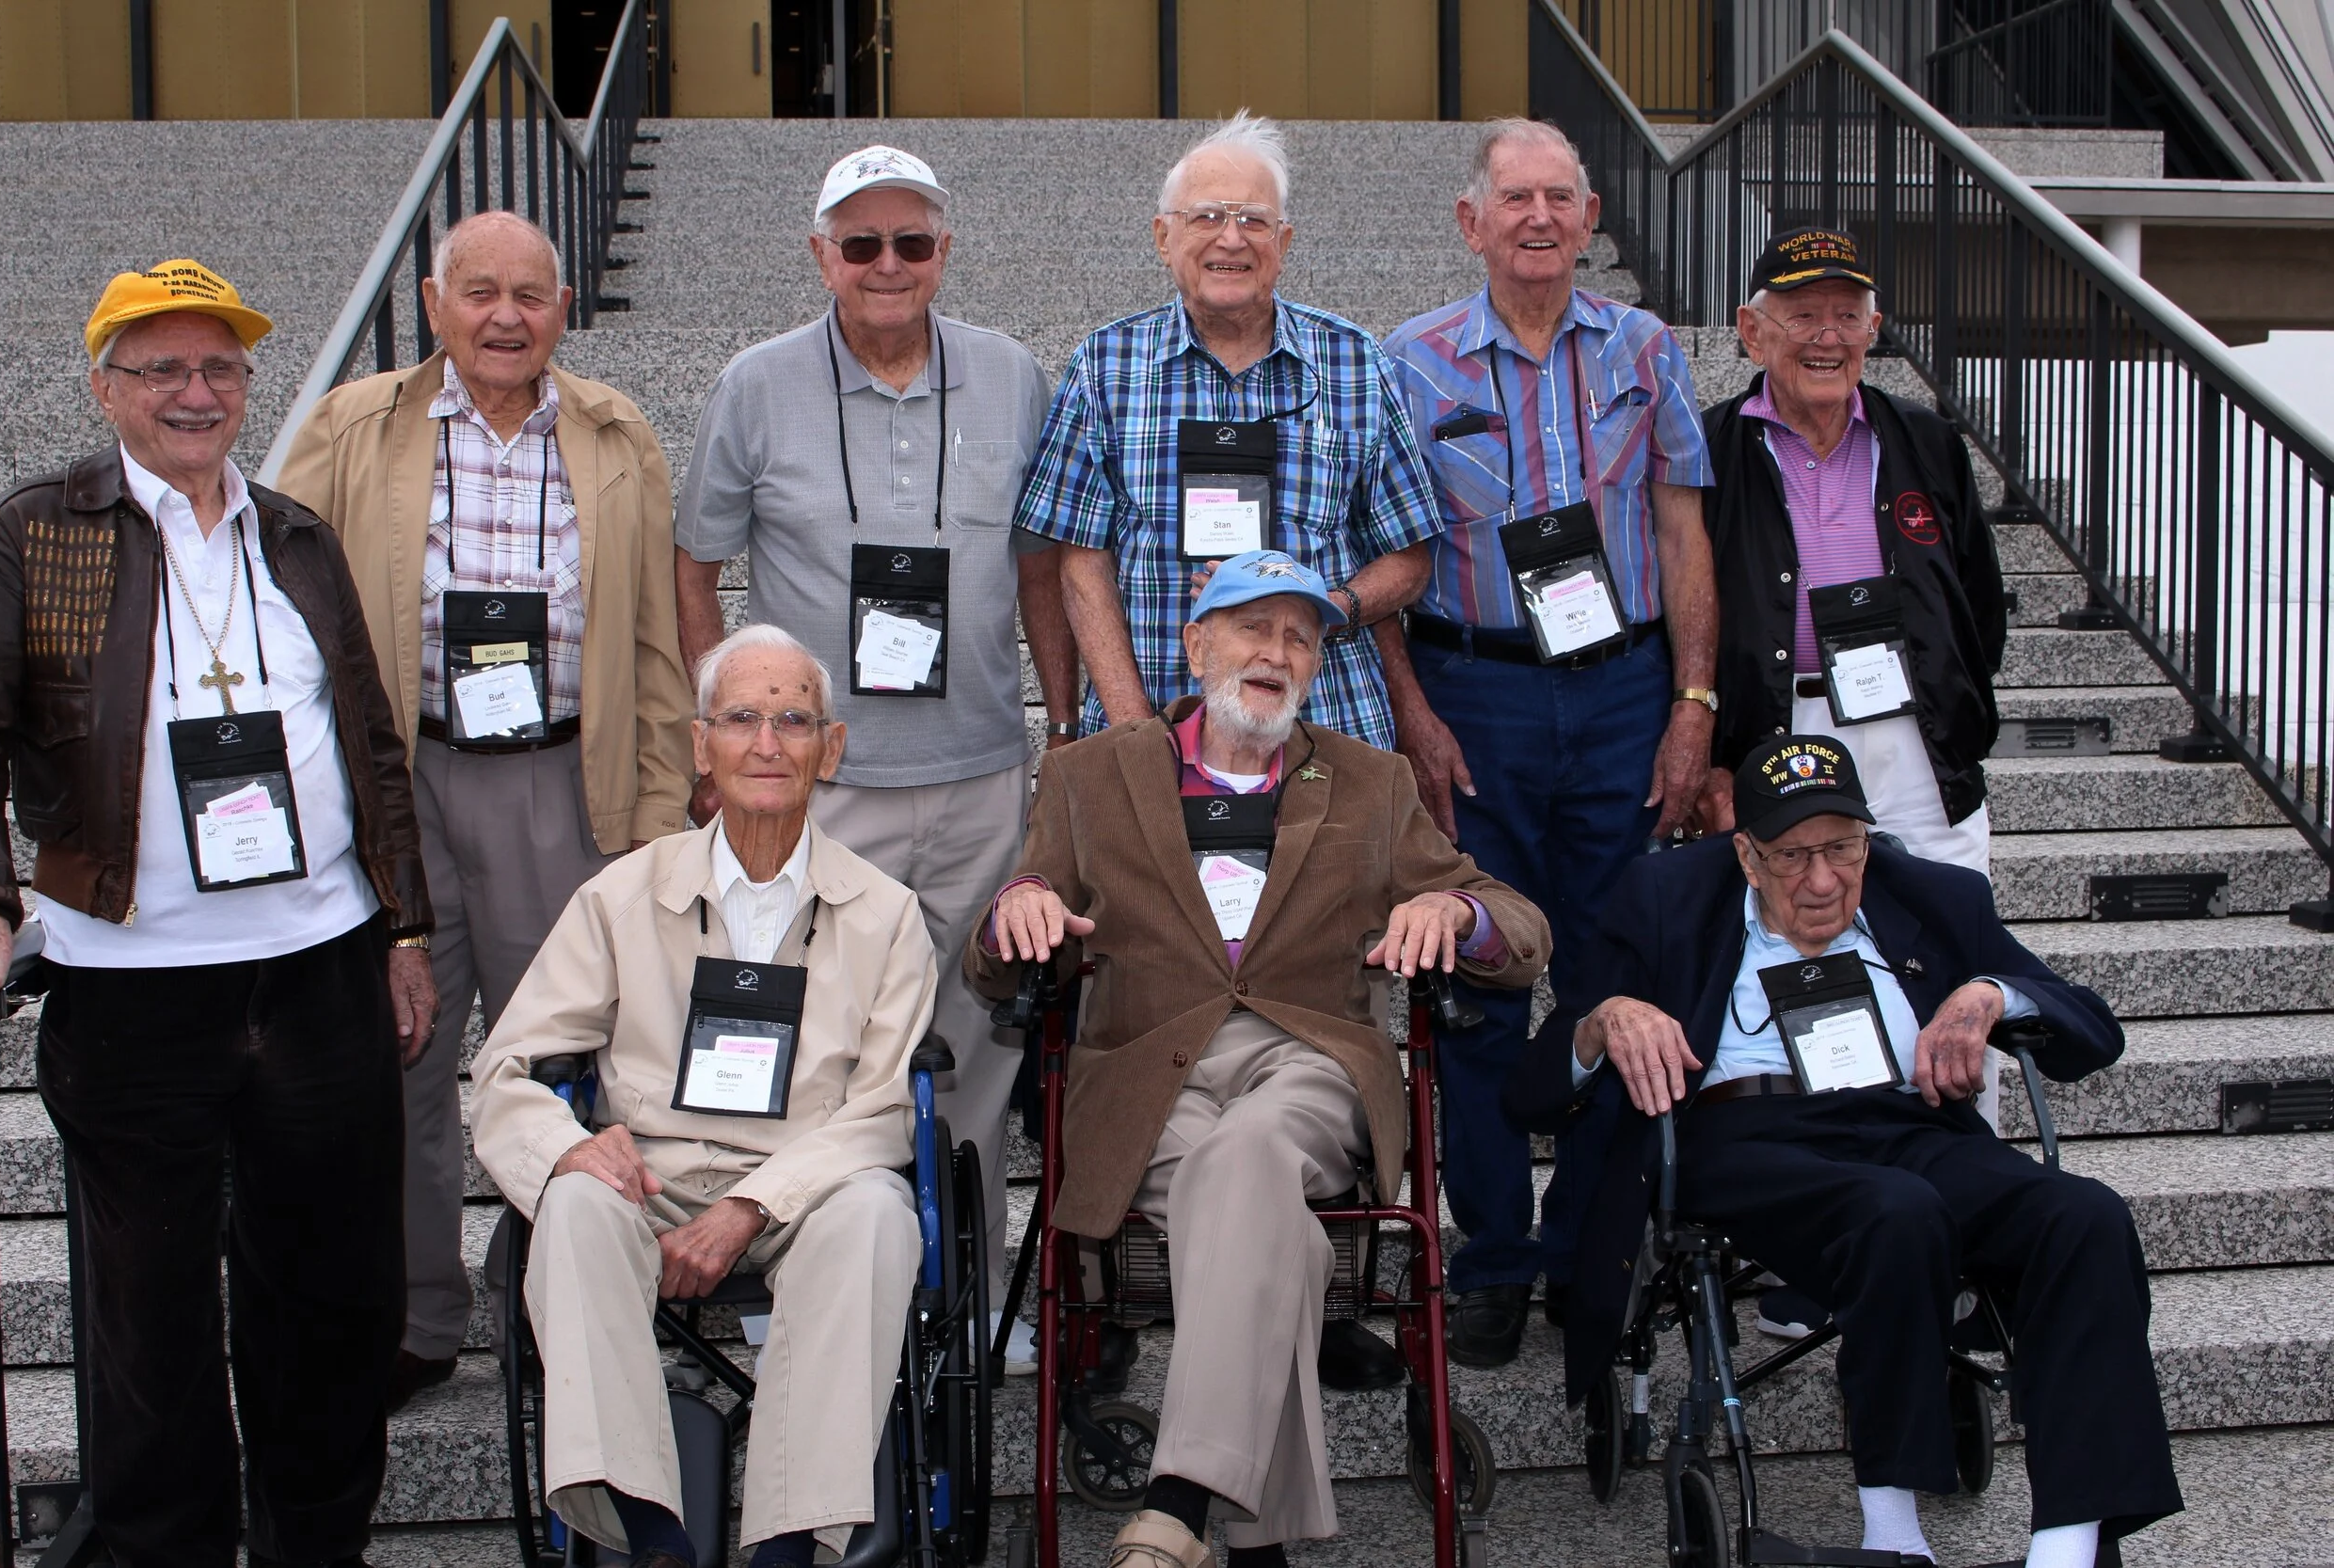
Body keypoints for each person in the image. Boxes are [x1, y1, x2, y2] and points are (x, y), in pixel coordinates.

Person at [0, 261, 437, 1567]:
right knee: (152, 1312)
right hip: (136, 982)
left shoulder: (293, 532)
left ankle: (315, 1542)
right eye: (164, 368)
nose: (197, 391)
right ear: (105, 385)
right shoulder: (33, 532)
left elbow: (369, 739)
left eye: (221, 367)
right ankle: (166, 1547)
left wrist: (402, 926)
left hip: (319, 969)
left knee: (332, 1299)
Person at [967, 551, 1548, 1568]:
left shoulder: (1368, 784)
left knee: (1251, 1150)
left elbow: (1518, 925)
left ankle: (1181, 1498)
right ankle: (1251, 1542)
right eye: (1252, 627)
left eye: (1301, 636)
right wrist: (1017, 909)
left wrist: (1448, 908)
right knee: (1257, 1202)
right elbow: (996, 954)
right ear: (1195, 645)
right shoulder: (1088, 773)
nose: (1276, 653)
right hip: (1148, 1076)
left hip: (1308, 1066)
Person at [1505, 735, 2182, 1568]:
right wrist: (1604, 1019)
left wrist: (1989, 993)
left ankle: (2067, 1548)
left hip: (1908, 1125)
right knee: (1896, 1212)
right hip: (1745, 1135)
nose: (1822, 880)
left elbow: (2091, 1028)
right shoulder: (1663, 898)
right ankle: (1895, 1539)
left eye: (1841, 848)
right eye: (1794, 855)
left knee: (2086, 1216)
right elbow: (1534, 1089)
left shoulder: (1935, 895)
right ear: (1746, 855)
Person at [279, 210, 691, 1410]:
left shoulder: (617, 433)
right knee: (396, 1053)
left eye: (532, 293)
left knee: (560, 1059)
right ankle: (413, 1315)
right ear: (434, 299)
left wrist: (660, 815)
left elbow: (659, 645)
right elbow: (280, 606)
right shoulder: (354, 427)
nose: (506, 316)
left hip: (562, 783)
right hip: (402, 785)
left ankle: (553, 1296)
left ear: (565, 306)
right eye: (480, 292)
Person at [675, 146, 1075, 1261]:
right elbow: (693, 566)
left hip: (980, 773)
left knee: (979, 1042)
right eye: (860, 244)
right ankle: (793, 1260)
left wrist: (1067, 727)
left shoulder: (1012, 375)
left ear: (944, 253)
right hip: (815, 788)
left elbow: (1041, 567)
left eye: (910, 242)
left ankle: (963, 1278)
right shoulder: (755, 385)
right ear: (821, 256)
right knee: (802, 1032)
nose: (886, 264)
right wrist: (720, 749)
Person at [468, 624, 938, 1568]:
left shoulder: (887, 912)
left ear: (831, 747)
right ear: (701, 743)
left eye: (794, 719)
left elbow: (884, 1108)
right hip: (652, 1174)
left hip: (809, 1183)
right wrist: (568, 1147)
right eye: (743, 718)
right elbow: (505, 1067)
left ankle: (788, 1547)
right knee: (573, 1206)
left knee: (881, 1215)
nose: (768, 742)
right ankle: (652, 1536)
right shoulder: (620, 895)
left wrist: (751, 1204)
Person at [1376, 116, 1716, 1366]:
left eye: (1559, 197)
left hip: (1624, 690)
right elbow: (1388, 562)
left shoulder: (1645, 347)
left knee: (1616, 965)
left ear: (1587, 218)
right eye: (1513, 197)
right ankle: (1495, 1254)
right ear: (1472, 222)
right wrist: (1413, 713)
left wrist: (1694, 704)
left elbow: (1683, 533)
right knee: (1477, 975)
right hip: (1480, 698)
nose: (1538, 216)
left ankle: (1589, 1241)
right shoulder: (1407, 365)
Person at [1015, 111, 1445, 753]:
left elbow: (1410, 556)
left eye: (1254, 220)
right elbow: (1078, 563)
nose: (1232, 238)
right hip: (1157, 718)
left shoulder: (1354, 362)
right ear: (1163, 237)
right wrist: (1137, 732)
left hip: (1328, 730)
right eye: (1208, 216)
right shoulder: (1106, 365)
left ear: (1286, 241)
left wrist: (1328, 605)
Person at [1697, 226, 2007, 874]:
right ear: (1752, 331)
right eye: (1803, 316)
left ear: (1874, 329)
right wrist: (1714, 753)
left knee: (1949, 917)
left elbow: (1977, 601)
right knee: (1804, 933)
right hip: (1783, 730)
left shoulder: (1927, 440)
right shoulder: (1710, 451)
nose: (1828, 337)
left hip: (1915, 730)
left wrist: (1954, 700)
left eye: (1847, 316)